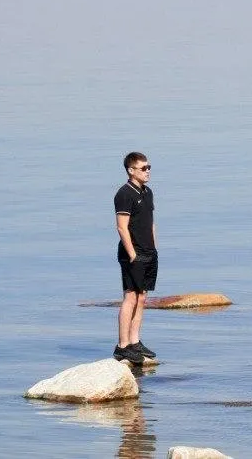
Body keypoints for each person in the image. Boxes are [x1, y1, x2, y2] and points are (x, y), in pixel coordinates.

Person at [113, 152, 158, 364]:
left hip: (149, 252)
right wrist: (132, 254)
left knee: (142, 298)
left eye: (149, 167)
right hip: (133, 254)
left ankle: (135, 341)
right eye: (143, 168)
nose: (148, 171)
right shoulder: (124, 194)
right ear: (131, 171)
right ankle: (122, 346)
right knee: (130, 297)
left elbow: (150, 223)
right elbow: (122, 227)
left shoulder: (147, 192)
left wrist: (154, 248)